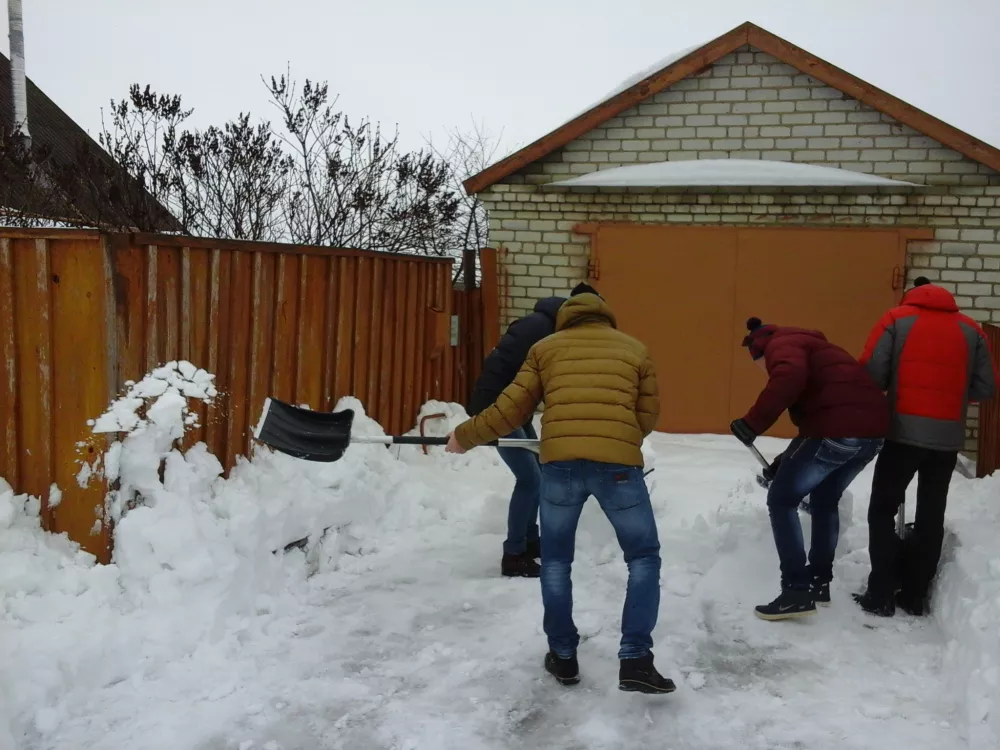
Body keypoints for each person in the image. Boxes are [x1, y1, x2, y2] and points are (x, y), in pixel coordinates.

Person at [445, 289, 674, 695]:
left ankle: (563, 656)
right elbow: (648, 414)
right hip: (619, 468)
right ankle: (636, 658)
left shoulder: (545, 348)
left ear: (566, 316)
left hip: (561, 467)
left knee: (555, 561)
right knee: (642, 557)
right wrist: (617, 440)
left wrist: (465, 437)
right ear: (605, 315)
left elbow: (510, 408)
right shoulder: (635, 349)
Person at [854, 277, 997, 617]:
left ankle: (882, 593)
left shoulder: (895, 319)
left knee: (882, 509)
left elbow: (872, 373)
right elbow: (986, 386)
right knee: (931, 513)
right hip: (946, 438)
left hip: (902, 432)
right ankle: (915, 596)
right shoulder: (971, 329)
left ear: (910, 296)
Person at [730, 317, 889, 621]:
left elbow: (788, 379)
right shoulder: (815, 346)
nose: (765, 371)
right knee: (824, 499)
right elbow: (816, 427)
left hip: (839, 431)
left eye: (761, 365)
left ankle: (796, 590)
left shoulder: (781, 346)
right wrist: (783, 464)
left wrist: (752, 423)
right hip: (872, 434)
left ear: (760, 350)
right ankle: (818, 583)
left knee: (782, 500)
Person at [466, 282, 599, 578]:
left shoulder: (547, 325)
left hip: (513, 407)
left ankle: (530, 540)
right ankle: (514, 555)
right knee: (529, 479)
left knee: (536, 474)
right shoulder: (543, 330)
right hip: (497, 409)